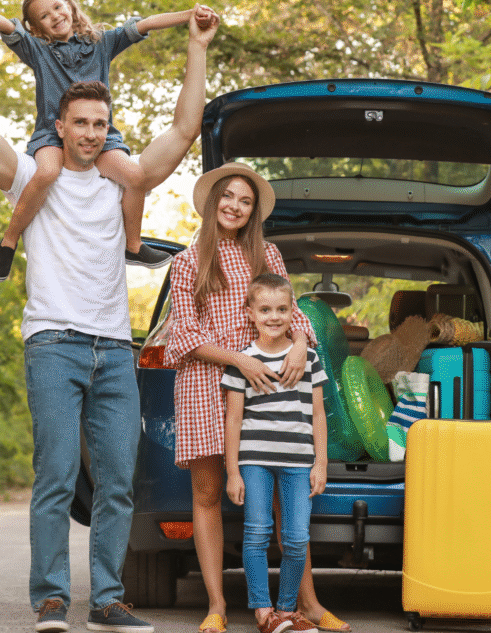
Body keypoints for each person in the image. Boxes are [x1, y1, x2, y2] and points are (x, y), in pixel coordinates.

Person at [0, 0, 219, 633]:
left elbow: (182, 131)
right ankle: (49, 599)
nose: (93, 132)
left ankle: (107, 599)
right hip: (54, 344)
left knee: (119, 481)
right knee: (57, 474)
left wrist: (197, 46)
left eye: (102, 122)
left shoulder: (123, 180)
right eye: (81, 123)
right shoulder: (28, 179)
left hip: (114, 351)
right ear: (59, 125)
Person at [164, 163, 351, 633]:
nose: (234, 206)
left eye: (245, 201)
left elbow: (295, 315)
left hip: (268, 386)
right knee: (208, 494)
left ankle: (306, 603)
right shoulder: (187, 262)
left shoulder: (267, 254)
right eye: (227, 197)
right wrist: (239, 360)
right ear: (212, 203)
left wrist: (303, 344)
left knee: (285, 501)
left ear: (253, 212)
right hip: (206, 384)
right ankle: (217, 607)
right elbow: (181, 336)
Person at [0, 0, 216, 280]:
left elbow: (145, 24)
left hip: (101, 136)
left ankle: (133, 245)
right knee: (47, 172)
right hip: (52, 133)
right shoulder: (38, 51)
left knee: (135, 177)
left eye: (58, 7)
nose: (55, 16)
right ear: (35, 28)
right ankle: (9, 241)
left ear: (70, 7)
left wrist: (189, 15)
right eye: (44, 16)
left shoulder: (101, 44)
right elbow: (9, 27)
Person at [222, 273, 328, 633]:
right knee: (256, 533)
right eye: (265, 309)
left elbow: (317, 414)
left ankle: (286, 610)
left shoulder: (308, 359)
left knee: (297, 537)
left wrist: (321, 463)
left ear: (291, 312)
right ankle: (263, 611)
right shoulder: (242, 362)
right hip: (255, 461)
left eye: (282, 309)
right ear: (250, 312)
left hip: (299, 462)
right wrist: (233, 471)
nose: (273, 316)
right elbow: (233, 419)